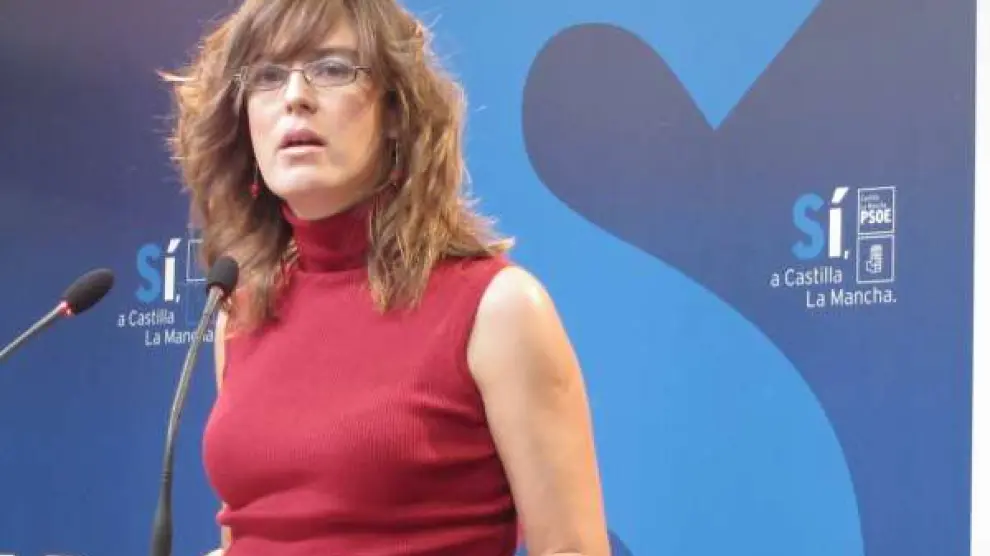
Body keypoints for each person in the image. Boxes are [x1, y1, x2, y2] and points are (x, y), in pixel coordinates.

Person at [162, 0, 609, 554]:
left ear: (396, 110)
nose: (295, 96)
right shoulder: (242, 310)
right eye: (267, 76)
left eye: (331, 68)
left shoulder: (498, 308)